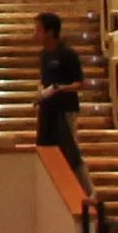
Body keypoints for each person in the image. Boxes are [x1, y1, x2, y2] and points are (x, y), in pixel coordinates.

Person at [33, 9, 84, 163]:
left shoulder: (67, 54)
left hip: (65, 109)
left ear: (50, 32)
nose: (35, 33)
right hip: (48, 109)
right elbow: (44, 81)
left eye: (39, 29)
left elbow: (79, 83)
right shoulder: (43, 55)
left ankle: (82, 186)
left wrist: (60, 88)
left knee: (69, 152)